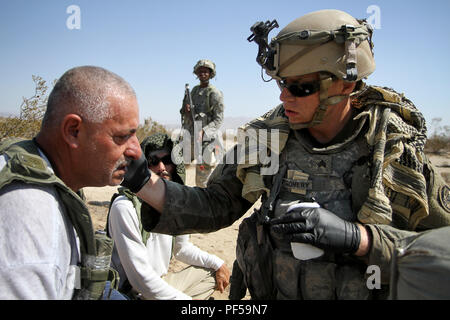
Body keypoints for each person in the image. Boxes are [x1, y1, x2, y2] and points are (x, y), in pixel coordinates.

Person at [122, 9, 450, 300]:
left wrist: (360, 239)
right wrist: (143, 181)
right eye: (281, 83)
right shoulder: (269, 138)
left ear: (346, 86)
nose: (284, 96)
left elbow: (440, 250)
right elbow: (216, 205)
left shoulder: (393, 150)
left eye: (300, 87)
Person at [0, 66, 142, 299]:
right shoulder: (33, 222)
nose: (136, 150)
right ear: (73, 131)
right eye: (121, 137)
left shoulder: (43, 170)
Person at [107, 133, 230, 300]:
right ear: (143, 166)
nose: (162, 167)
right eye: (153, 161)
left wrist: (217, 263)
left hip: (158, 283)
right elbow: (139, 279)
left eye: (168, 160)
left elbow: (182, 249)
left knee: (210, 272)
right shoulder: (125, 206)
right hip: (132, 293)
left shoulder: (175, 205)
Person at [180, 59, 224, 187]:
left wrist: (204, 131)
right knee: (179, 164)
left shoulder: (214, 93)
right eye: (200, 72)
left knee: (203, 173)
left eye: (205, 71)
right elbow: (183, 111)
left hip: (207, 139)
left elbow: (218, 118)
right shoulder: (193, 91)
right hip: (192, 135)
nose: (203, 74)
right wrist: (185, 109)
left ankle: (203, 198)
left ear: (210, 74)